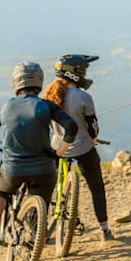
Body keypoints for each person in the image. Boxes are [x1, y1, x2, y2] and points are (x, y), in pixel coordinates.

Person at [0, 61, 79, 245]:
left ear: (16, 82)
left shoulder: (6, 106)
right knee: (40, 196)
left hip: (13, 170)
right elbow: (71, 127)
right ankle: (36, 236)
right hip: (44, 168)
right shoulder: (46, 105)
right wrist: (59, 152)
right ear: (39, 82)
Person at [42, 53, 115, 242]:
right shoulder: (84, 97)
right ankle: (104, 228)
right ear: (76, 72)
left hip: (58, 147)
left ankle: (38, 225)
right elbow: (93, 127)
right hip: (83, 147)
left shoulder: (49, 94)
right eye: (84, 69)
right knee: (96, 187)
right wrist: (93, 138)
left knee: (48, 187)